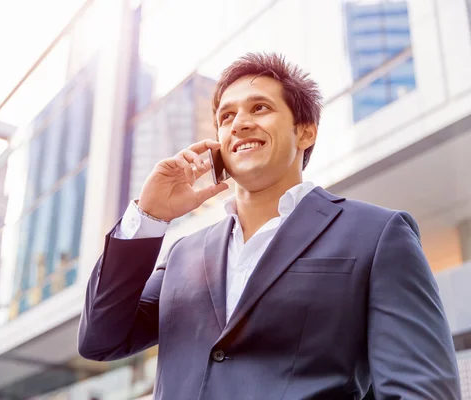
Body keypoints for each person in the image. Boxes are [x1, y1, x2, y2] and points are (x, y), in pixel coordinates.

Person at [78, 52, 461, 399]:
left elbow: (422, 392)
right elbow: (100, 339)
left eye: (259, 108)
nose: (239, 123)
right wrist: (149, 216)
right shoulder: (183, 254)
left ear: (305, 131)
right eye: (226, 117)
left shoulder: (377, 235)